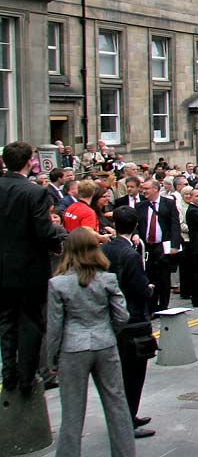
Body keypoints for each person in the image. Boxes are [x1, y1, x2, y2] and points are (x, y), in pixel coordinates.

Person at [46, 228, 135, 456]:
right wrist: (109, 331)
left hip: (72, 348)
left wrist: (51, 358)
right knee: (117, 405)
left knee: (72, 412)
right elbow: (122, 316)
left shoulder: (57, 284)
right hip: (104, 342)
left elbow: (54, 326)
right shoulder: (107, 279)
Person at [0, 141, 64, 396]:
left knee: (6, 321)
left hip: (3, 270)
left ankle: (9, 373)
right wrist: (58, 239)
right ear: (29, 162)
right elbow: (43, 231)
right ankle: (27, 377)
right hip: (29, 270)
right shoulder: (35, 192)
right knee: (31, 322)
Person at [101, 206, 156, 439]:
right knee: (133, 374)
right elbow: (138, 287)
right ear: (135, 226)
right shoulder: (130, 254)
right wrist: (148, 289)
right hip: (132, 318)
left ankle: (127, 416)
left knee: (121, 373)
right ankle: (126, 421)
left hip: (111, 316)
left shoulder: (105, 249)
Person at [135, 179, 180, 313]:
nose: (144, 191)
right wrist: (135, 235)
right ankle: (151, 307)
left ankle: (164, 306)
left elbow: (175, 224)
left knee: (164, 279)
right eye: (143, 189)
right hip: (147, 247)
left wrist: (174, 245)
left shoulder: (169, 204)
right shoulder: (140, 206)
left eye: (147, 189)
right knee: (150, 277)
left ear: (155, 189)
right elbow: (136, 224)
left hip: (163, 246)